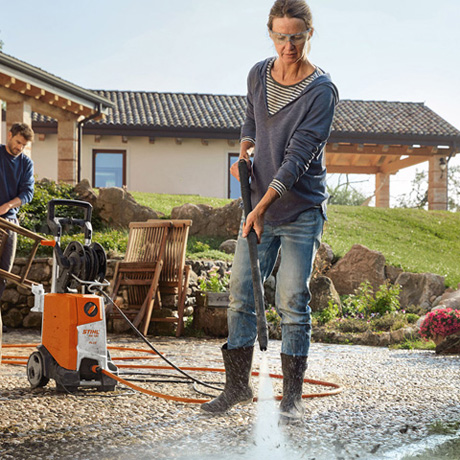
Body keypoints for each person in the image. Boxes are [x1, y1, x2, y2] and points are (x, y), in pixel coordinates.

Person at [201, 0, 338, 422]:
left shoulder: (321, 91)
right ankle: (237, 388)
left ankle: (292, 397)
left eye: (296, 36)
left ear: (308, 34)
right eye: (281, 36)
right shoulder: (258, 74)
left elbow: (296, 160)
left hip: (299, 208)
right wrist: (244, 147)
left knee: (292, 300)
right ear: (271, 34)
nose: (288, 45)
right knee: (241, 294)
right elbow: (251, 121)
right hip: (258, 203)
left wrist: (258, 208)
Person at [0, 123, 35, 337]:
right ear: (9, 135)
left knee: (3, 272)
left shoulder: (25, 163)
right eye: (18, 142)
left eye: (23, 145)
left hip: (10, 222)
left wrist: (7, 206)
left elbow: (27, 193)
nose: (19, 148)